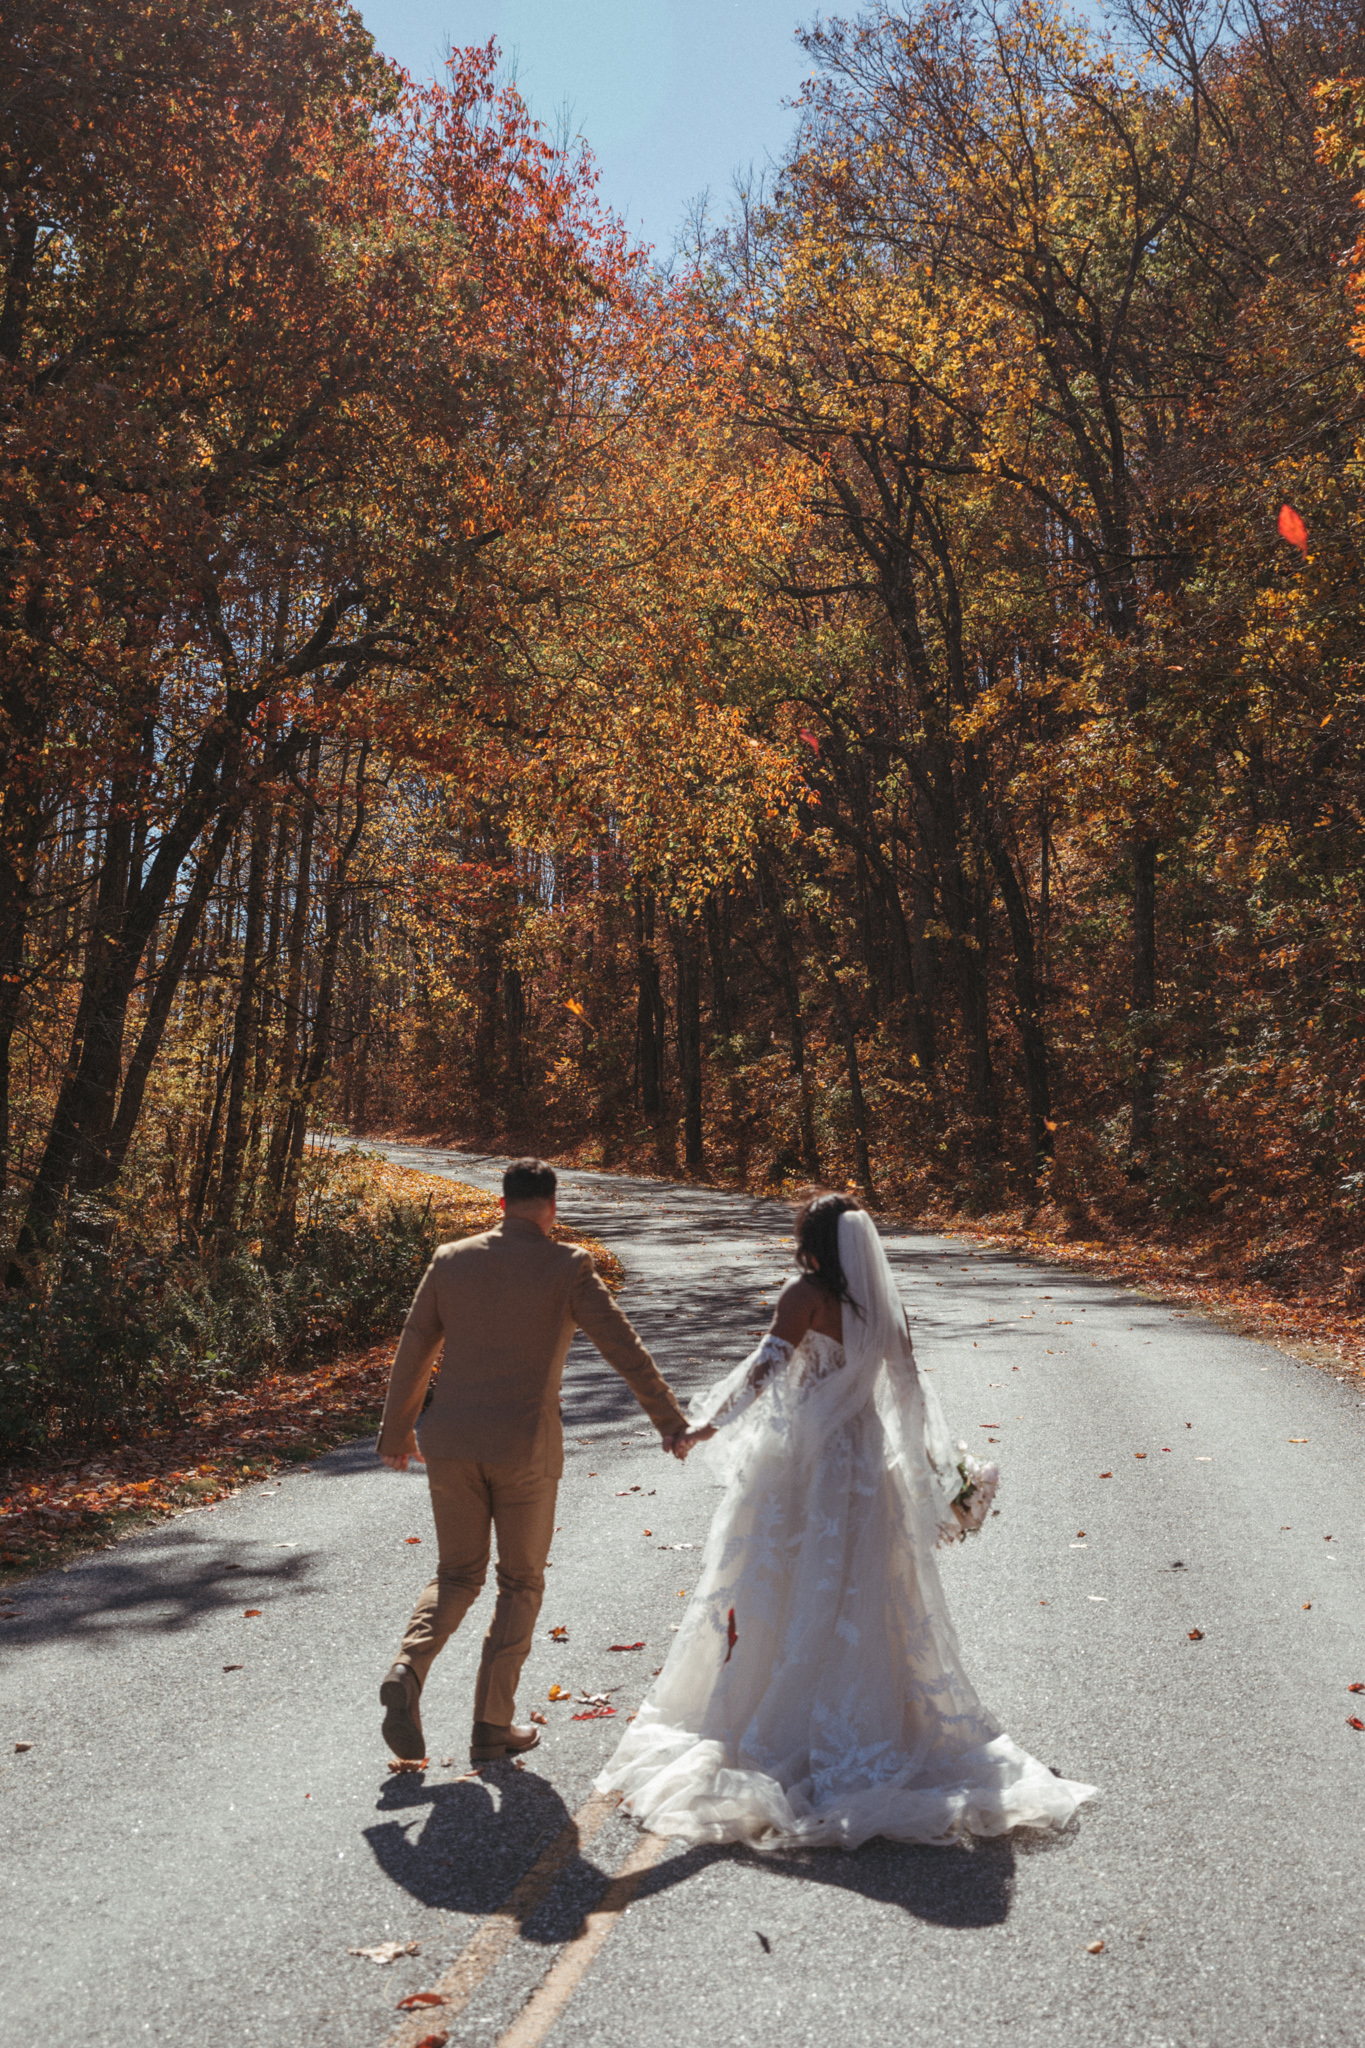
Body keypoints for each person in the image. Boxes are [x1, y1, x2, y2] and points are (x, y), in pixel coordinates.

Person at [598, 1191, 1097, 1849]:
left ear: (814, 1240)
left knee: (774, 1584)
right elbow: (910, 1390)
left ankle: (771, 1721)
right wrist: (933, 1472)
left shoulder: (801, 1294)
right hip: (863, 1462)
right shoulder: (884, 1306)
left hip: (801, 1463)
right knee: (861, 1593)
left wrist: (706, 1424)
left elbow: (765, 1369)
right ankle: (869, 1723)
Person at [375, 1156, 688, 1765]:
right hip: (524, 1448)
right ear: (552, 1209)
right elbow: (623, 1346)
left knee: (457, 1574)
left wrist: (396, 1432)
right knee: (519, 1582)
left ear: (500, 1204)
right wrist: (669, 1422)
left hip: (452, 1444)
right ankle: (492, 1724)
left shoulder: (450, 1259)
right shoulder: (567, 1265)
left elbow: (415, 1348)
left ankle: (408, 1669)